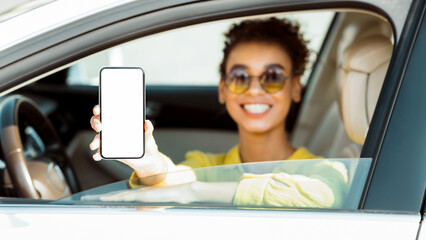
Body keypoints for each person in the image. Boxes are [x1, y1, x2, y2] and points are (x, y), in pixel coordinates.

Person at [89, 17, 348, 207]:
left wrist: (196, 191)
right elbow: (174, 179)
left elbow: (326, 194)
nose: (255, 90)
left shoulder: (323, 169)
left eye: (273, 76)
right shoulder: (206, 165)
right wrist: (148, 161)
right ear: (223, 89)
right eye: (239, 77)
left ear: (295, 88)